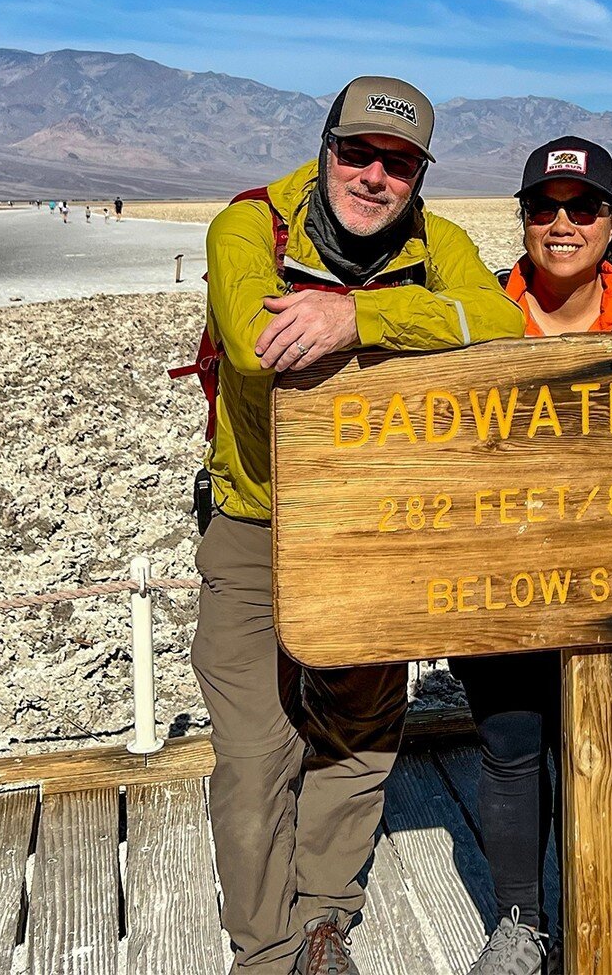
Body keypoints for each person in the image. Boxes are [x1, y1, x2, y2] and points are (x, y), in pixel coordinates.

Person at [192, 75, 524, 975]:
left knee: (362, 727)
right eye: (358, 152)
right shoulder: (251, 225)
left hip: (376, 525)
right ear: (327, 143)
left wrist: (356, 315)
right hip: (258, 525)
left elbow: (498, 321)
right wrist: (412, 333)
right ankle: (265, 951)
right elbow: (257, 347)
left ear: (420, 175)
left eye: (400, 164)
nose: (375, 177)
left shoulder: (437, 242)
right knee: (257, 748)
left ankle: (325, 919)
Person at [450, 137, 612, 975]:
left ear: (610, 221)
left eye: (581, 208)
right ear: (522, 219)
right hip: (498, 570)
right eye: (543, 207)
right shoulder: (472, 311)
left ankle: (605, 905)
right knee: (512, 739)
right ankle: (523, 924)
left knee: (598, 736)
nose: (561, 223)